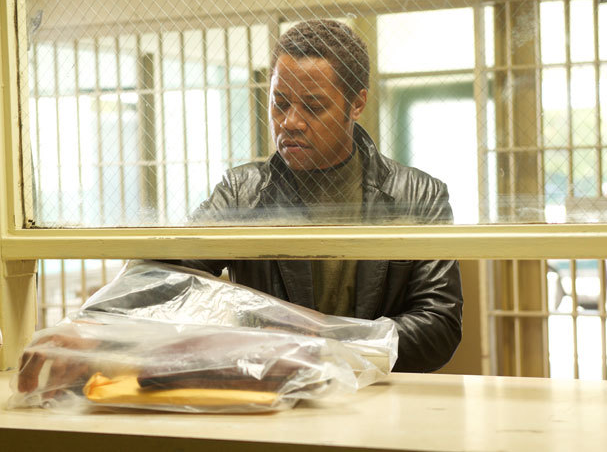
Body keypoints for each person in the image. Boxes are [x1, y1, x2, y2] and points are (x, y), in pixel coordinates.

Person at [167, 19, 463, 373]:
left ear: (356, 104)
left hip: (378, 394)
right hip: (272, 393)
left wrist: (324, 343)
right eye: (279, 103)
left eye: (313, 106)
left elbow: (439, 327)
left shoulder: (419, 195)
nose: (290, 122)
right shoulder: (241, 193)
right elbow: (164, 283)